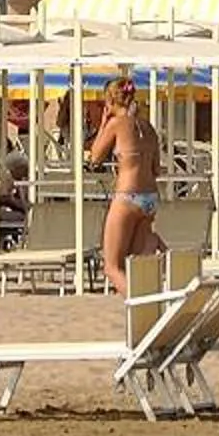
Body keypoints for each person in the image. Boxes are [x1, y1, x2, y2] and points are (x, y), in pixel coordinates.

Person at [86, 77, 165, 294]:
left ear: (109, 101)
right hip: (150, 198)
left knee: (112, 267)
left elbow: (94, 157)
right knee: (135, 263)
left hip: (127, 197)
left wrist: (103, 123)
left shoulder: (116, 124)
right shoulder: (148, 127)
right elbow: (156, 169)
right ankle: (154, 243)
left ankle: (140, 305)